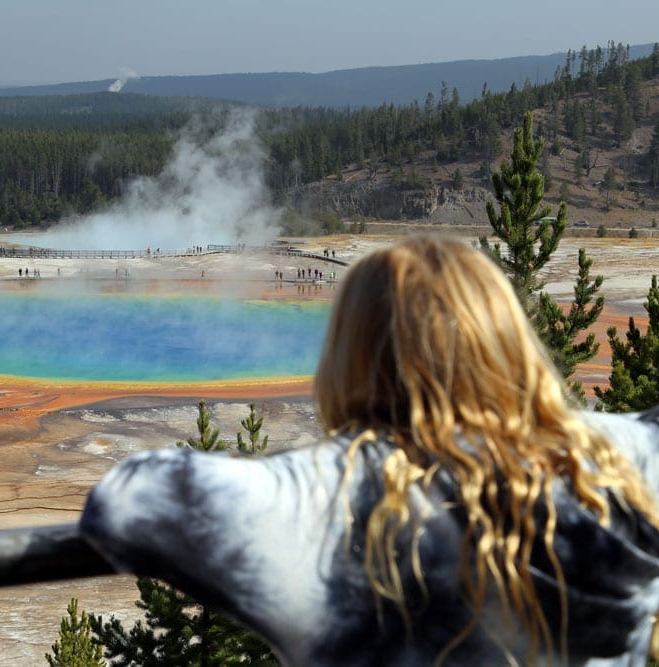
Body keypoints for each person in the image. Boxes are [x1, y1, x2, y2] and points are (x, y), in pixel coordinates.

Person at [80, 236, 659, 666]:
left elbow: (129, 501)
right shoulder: (616, 458)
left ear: (350, 352)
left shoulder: (331, 494)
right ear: (506, 338)